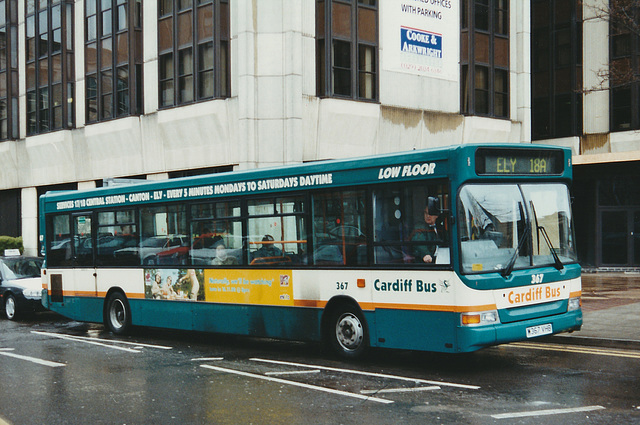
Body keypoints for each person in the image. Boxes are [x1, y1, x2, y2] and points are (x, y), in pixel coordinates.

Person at [411, 196, 442, 263]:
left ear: (436, 215)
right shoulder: (420, 227)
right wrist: (426, 254)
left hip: (441, 259)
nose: (428, 216)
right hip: (427, 261)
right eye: (426, 213)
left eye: (430, 214)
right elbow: (418, 241)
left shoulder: (441, 228)